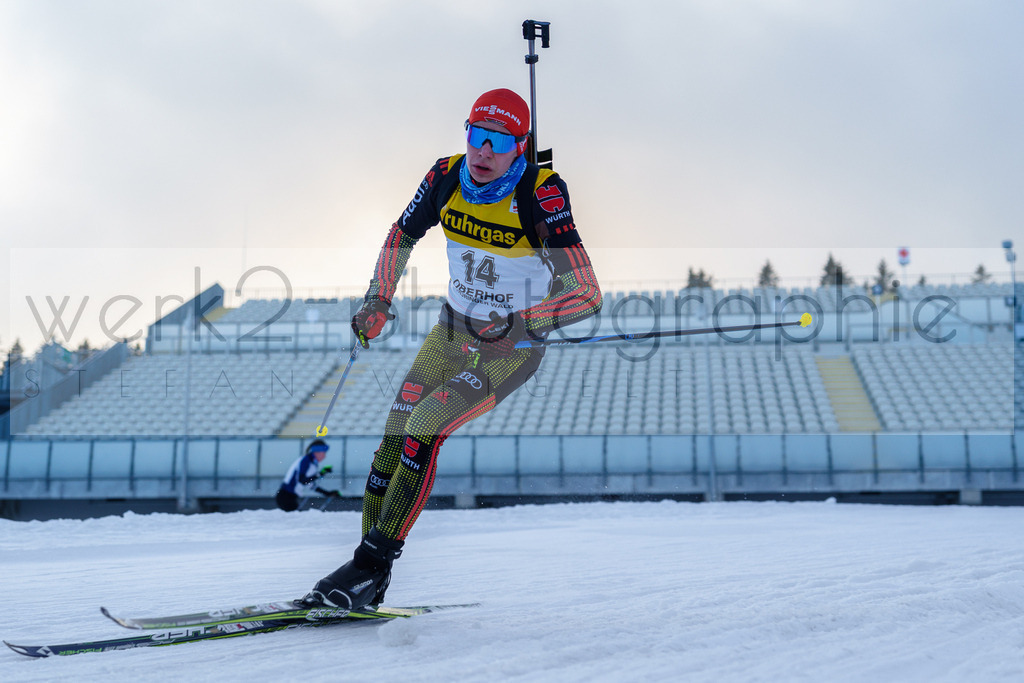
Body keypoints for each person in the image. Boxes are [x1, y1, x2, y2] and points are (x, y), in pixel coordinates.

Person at [301, 88, 602, 610]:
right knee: (392, 442)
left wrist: (525, 322)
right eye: (477, 136)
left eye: (498, 142)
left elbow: (587, 292)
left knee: (425, 425)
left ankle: (370, 566)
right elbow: (401, 234)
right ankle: (366, 574)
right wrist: (378, 299)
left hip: (508, 349)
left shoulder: (540, 192)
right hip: (450, 333)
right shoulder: (446, 175)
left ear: (521, 145)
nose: (483, 151)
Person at [276, 440, 339, 511]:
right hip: (286, 496)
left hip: (288, 497)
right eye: (324, 453)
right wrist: (320, 474)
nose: (325, 456)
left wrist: (327, 493)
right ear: (316, 452)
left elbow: (310, 484)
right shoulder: (306, 460)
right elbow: (302, 480)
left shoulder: (312, 463)